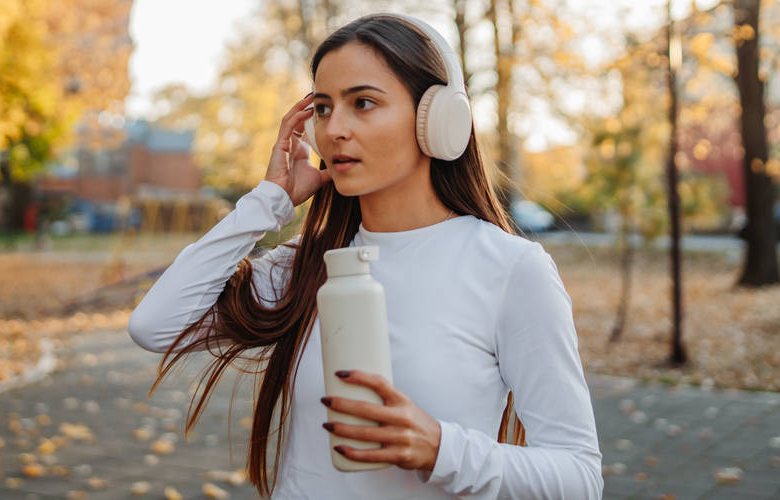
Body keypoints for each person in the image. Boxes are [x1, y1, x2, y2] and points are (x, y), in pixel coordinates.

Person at [128, 13, 603, 499]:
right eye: (322, 107)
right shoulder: (312, 263)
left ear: (438, 119)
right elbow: (156, 325)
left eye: (363, 103)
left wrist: (442, 449)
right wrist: (268, 201)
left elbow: (579, 478)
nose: (334, 129)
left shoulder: (510, 270)